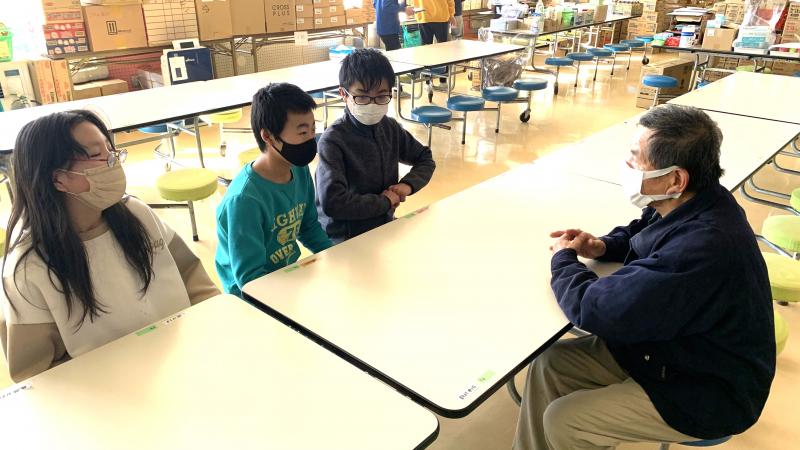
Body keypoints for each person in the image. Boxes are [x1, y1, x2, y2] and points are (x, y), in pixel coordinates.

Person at [514, 105, 775, 450]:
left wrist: (563, 259)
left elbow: (596, 308)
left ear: (676, 179)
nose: (627, 164)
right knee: (550, 364)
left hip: (707, 387)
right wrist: (601, 246)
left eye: (636, 158)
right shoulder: (696, 200)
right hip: (671, 349)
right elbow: (643, 231)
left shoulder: (702, 248)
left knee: (566, 421)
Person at [0, 110, 220, 382]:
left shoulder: (137, 213)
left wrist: (215, 331)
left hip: (189, 359)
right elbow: (37, 375)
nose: (112, 161)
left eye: (110, 149)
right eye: (96, 155)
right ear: (58, 178)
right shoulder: (29, 267)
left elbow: (193, 279)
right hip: (113, 391)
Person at [216, 83, 333, 297]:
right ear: (268, 137)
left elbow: (308, 226)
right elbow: (250, 279)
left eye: (312, 130)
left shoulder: (298, 169)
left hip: (286, 276)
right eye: (302, 132)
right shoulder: (245, 200)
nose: (311, 139)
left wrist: (334, 256)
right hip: (249, 297)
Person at [316, 48, 436, 244]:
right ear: (343, 94)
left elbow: (425, 159)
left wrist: (407, 185)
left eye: (381, 96)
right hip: (345, 236)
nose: (372, 104)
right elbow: (333, 202)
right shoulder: (333, 141)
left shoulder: (390, 128)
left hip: (383, 223)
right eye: (362, 97)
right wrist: (385, 202)